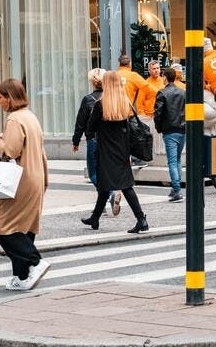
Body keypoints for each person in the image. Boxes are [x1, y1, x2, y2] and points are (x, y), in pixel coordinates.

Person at [0, 79, 51, 291]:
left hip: (19, 179)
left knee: (5, 229)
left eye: (0, 97)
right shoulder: (30, 116)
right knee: (24, 228)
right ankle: (21, 276)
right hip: (35, 176)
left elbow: (11, 152)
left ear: (9, 97)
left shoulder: (14, 120)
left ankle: (34, 261)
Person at [82, 71, 149, 233]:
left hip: (105, 150)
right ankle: (95, 218)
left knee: (123, 186)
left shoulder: (100, 104)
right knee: (108, 185)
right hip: (122, 150)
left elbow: (90, 128)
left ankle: (141, 219)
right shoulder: (125, 103)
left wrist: (96, 137)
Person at [73, 68, 120, 216]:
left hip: (93, 140)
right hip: (110, 141)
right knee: (105, 172)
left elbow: (81, 122)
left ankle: (110, 194)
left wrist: (76, 140)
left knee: (93, 172)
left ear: (92, 82)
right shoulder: (112, 97)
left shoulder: (88, 99)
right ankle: (104, 203)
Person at [154, 67, 186, 203]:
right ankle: (175, 188)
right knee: (177, 159)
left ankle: (177, 190)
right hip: (182, 129)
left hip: (169, 130)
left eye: (162, 76)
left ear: (165, 77)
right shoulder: (182, 92)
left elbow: (158, 113)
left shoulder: (162, 93)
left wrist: (159, 128)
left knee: (172, 161)